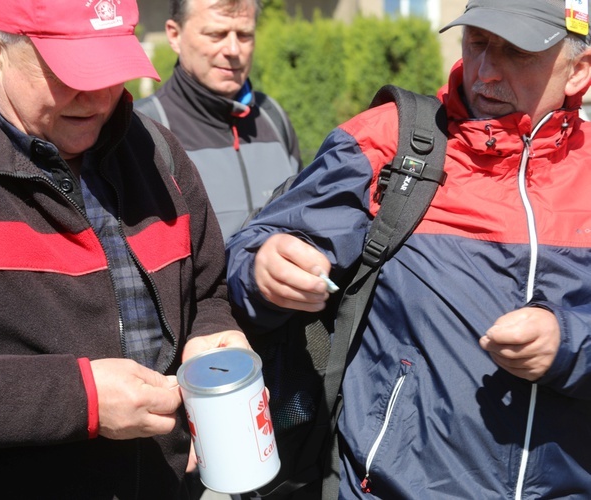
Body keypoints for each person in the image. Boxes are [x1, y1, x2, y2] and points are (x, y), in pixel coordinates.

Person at [0, 0, 248, 497]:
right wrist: (82, 398)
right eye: (69, 72)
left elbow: (206, 294)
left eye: (111, 70)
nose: (96, 97)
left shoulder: (157, 153)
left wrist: (213, 336)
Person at [226, 0, 591, 497]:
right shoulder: (391, 139)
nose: (485, 71)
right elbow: (255, 248)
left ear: (578, 71)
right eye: (478, 42)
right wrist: (264, 268)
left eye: (517, 52)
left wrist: (572, 343)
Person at [135, 0, 302, 242]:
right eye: (216, 34)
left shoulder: (273, 116)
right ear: (174, 35)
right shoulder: (143, 129)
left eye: (244, 35)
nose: (233, 49)